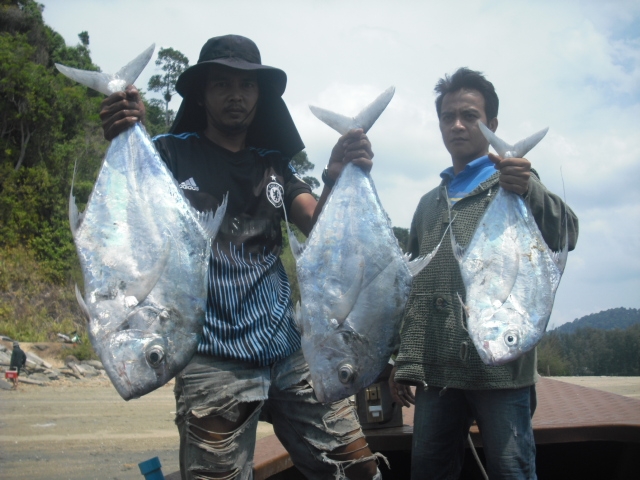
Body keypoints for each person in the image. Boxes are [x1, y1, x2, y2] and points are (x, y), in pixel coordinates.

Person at [100, 35, 382, 480]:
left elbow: (319, 225)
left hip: (288, 349)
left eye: (247, 86)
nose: (236, 95)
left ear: (260, 96)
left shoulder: (274, 165)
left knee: (358, 470)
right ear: (201, 93)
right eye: (221, 84)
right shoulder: (169, 154)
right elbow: (127, 215)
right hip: (210, 355)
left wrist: (337, 175)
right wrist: (125, 127)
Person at [389, 67, 579, 480]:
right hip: (437, 374)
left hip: (502, 373)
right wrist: (404, 360)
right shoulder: (428, 204)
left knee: (512, 470)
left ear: (492, 125)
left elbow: (568, 233)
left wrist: (529, 189)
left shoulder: (515, 183)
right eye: (448, 116)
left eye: (470, 116)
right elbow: (416, 289)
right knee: (428, 471)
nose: (457, 125)